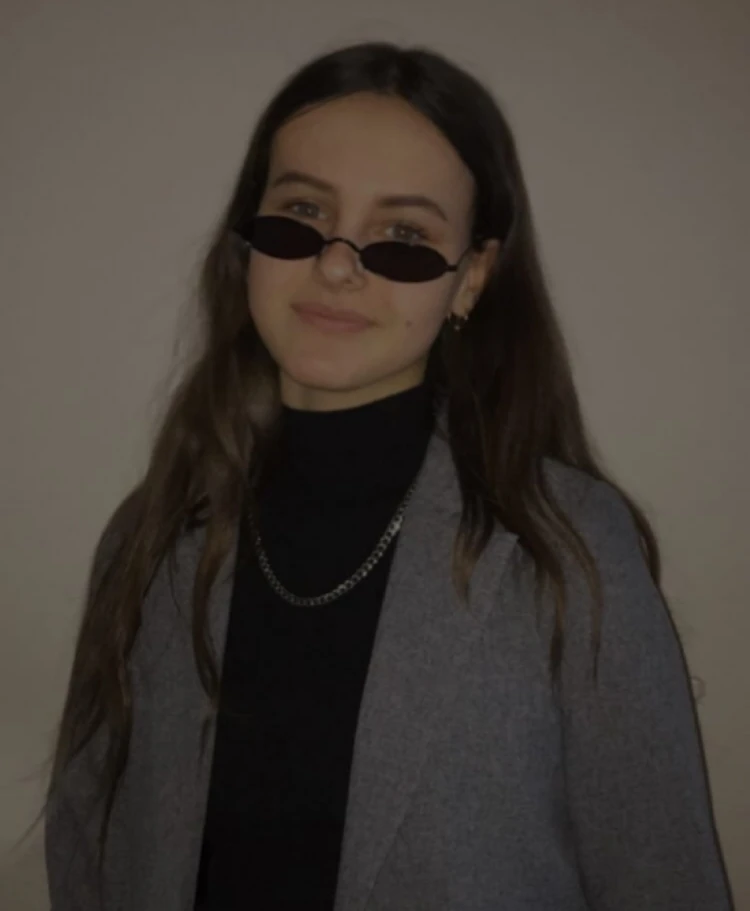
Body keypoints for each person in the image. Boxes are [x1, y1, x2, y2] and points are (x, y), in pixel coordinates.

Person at [44, 41, 734, 911]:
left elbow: (664, 882)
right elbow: (88, 844)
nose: (337, 264)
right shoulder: (151, 538)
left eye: (403, 237)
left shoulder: (565, 547)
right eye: (302, 212)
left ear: (470, 278)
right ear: (249, 238)